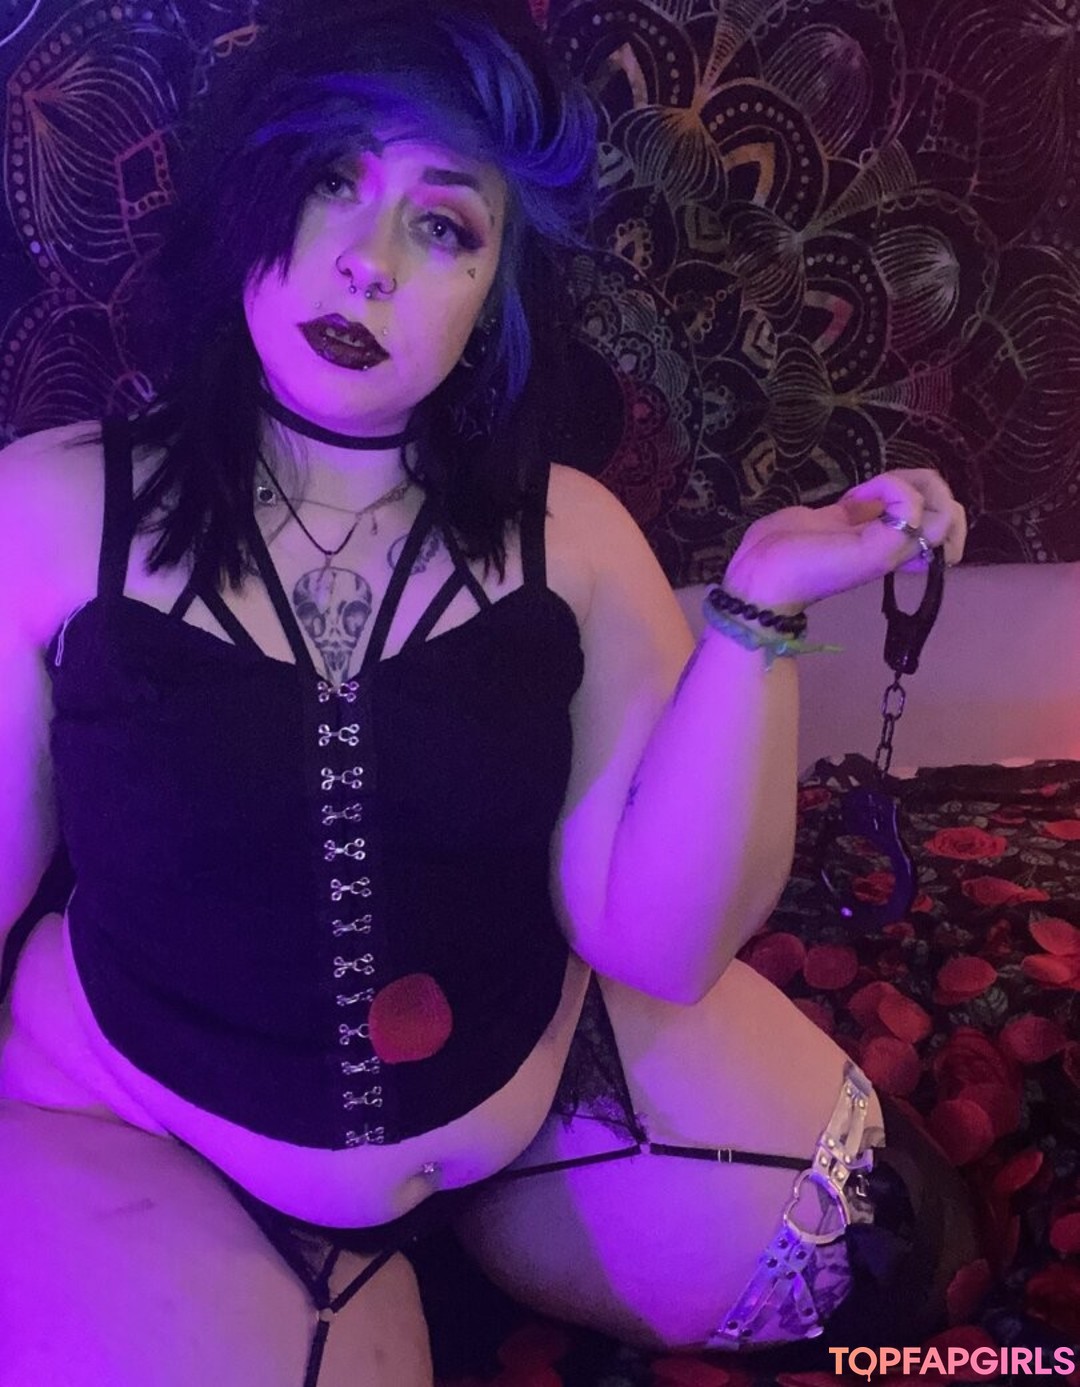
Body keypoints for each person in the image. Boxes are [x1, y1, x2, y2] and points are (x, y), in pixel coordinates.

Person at [0, 1, 972, 1384]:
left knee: (878, 1251)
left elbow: (657, 945)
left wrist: (761, 608)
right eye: (332, 178)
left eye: (443, 225)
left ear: (497, 291)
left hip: (526, 1092)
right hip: (148, 1118)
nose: (370, 261)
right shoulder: (49, 511)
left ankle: (482, 1240)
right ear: (253, 194)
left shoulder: (571, 538)